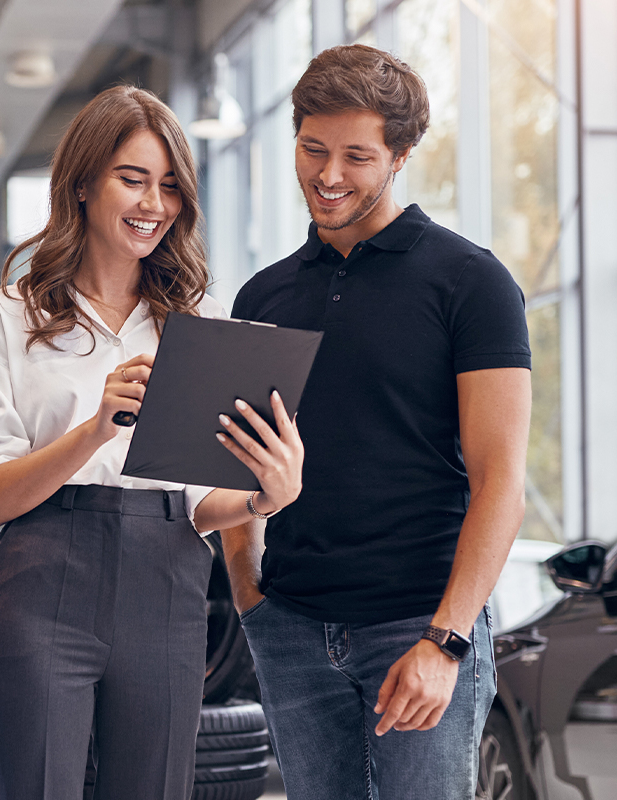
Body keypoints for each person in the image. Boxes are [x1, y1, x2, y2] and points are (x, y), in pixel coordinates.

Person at [0, 85, 304, 800]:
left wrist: (268, 495)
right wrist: (92, 430)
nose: (153, 204)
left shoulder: (195, 322)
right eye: (132, 179)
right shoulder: (12, 316)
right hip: (42, 586)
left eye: (170, 186)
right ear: (82, 184)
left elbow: (199, 503)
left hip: (166, 587)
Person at [221, 44, 532, 800]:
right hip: (291, 626)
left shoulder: (471, 282)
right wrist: (249, 597)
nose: (328, 176)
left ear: (400, 155)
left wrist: (446, 639)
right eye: (312, 149)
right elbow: (236, 465)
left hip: (418, 625)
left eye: (356, 157)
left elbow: (501, 482)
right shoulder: (261, 298)